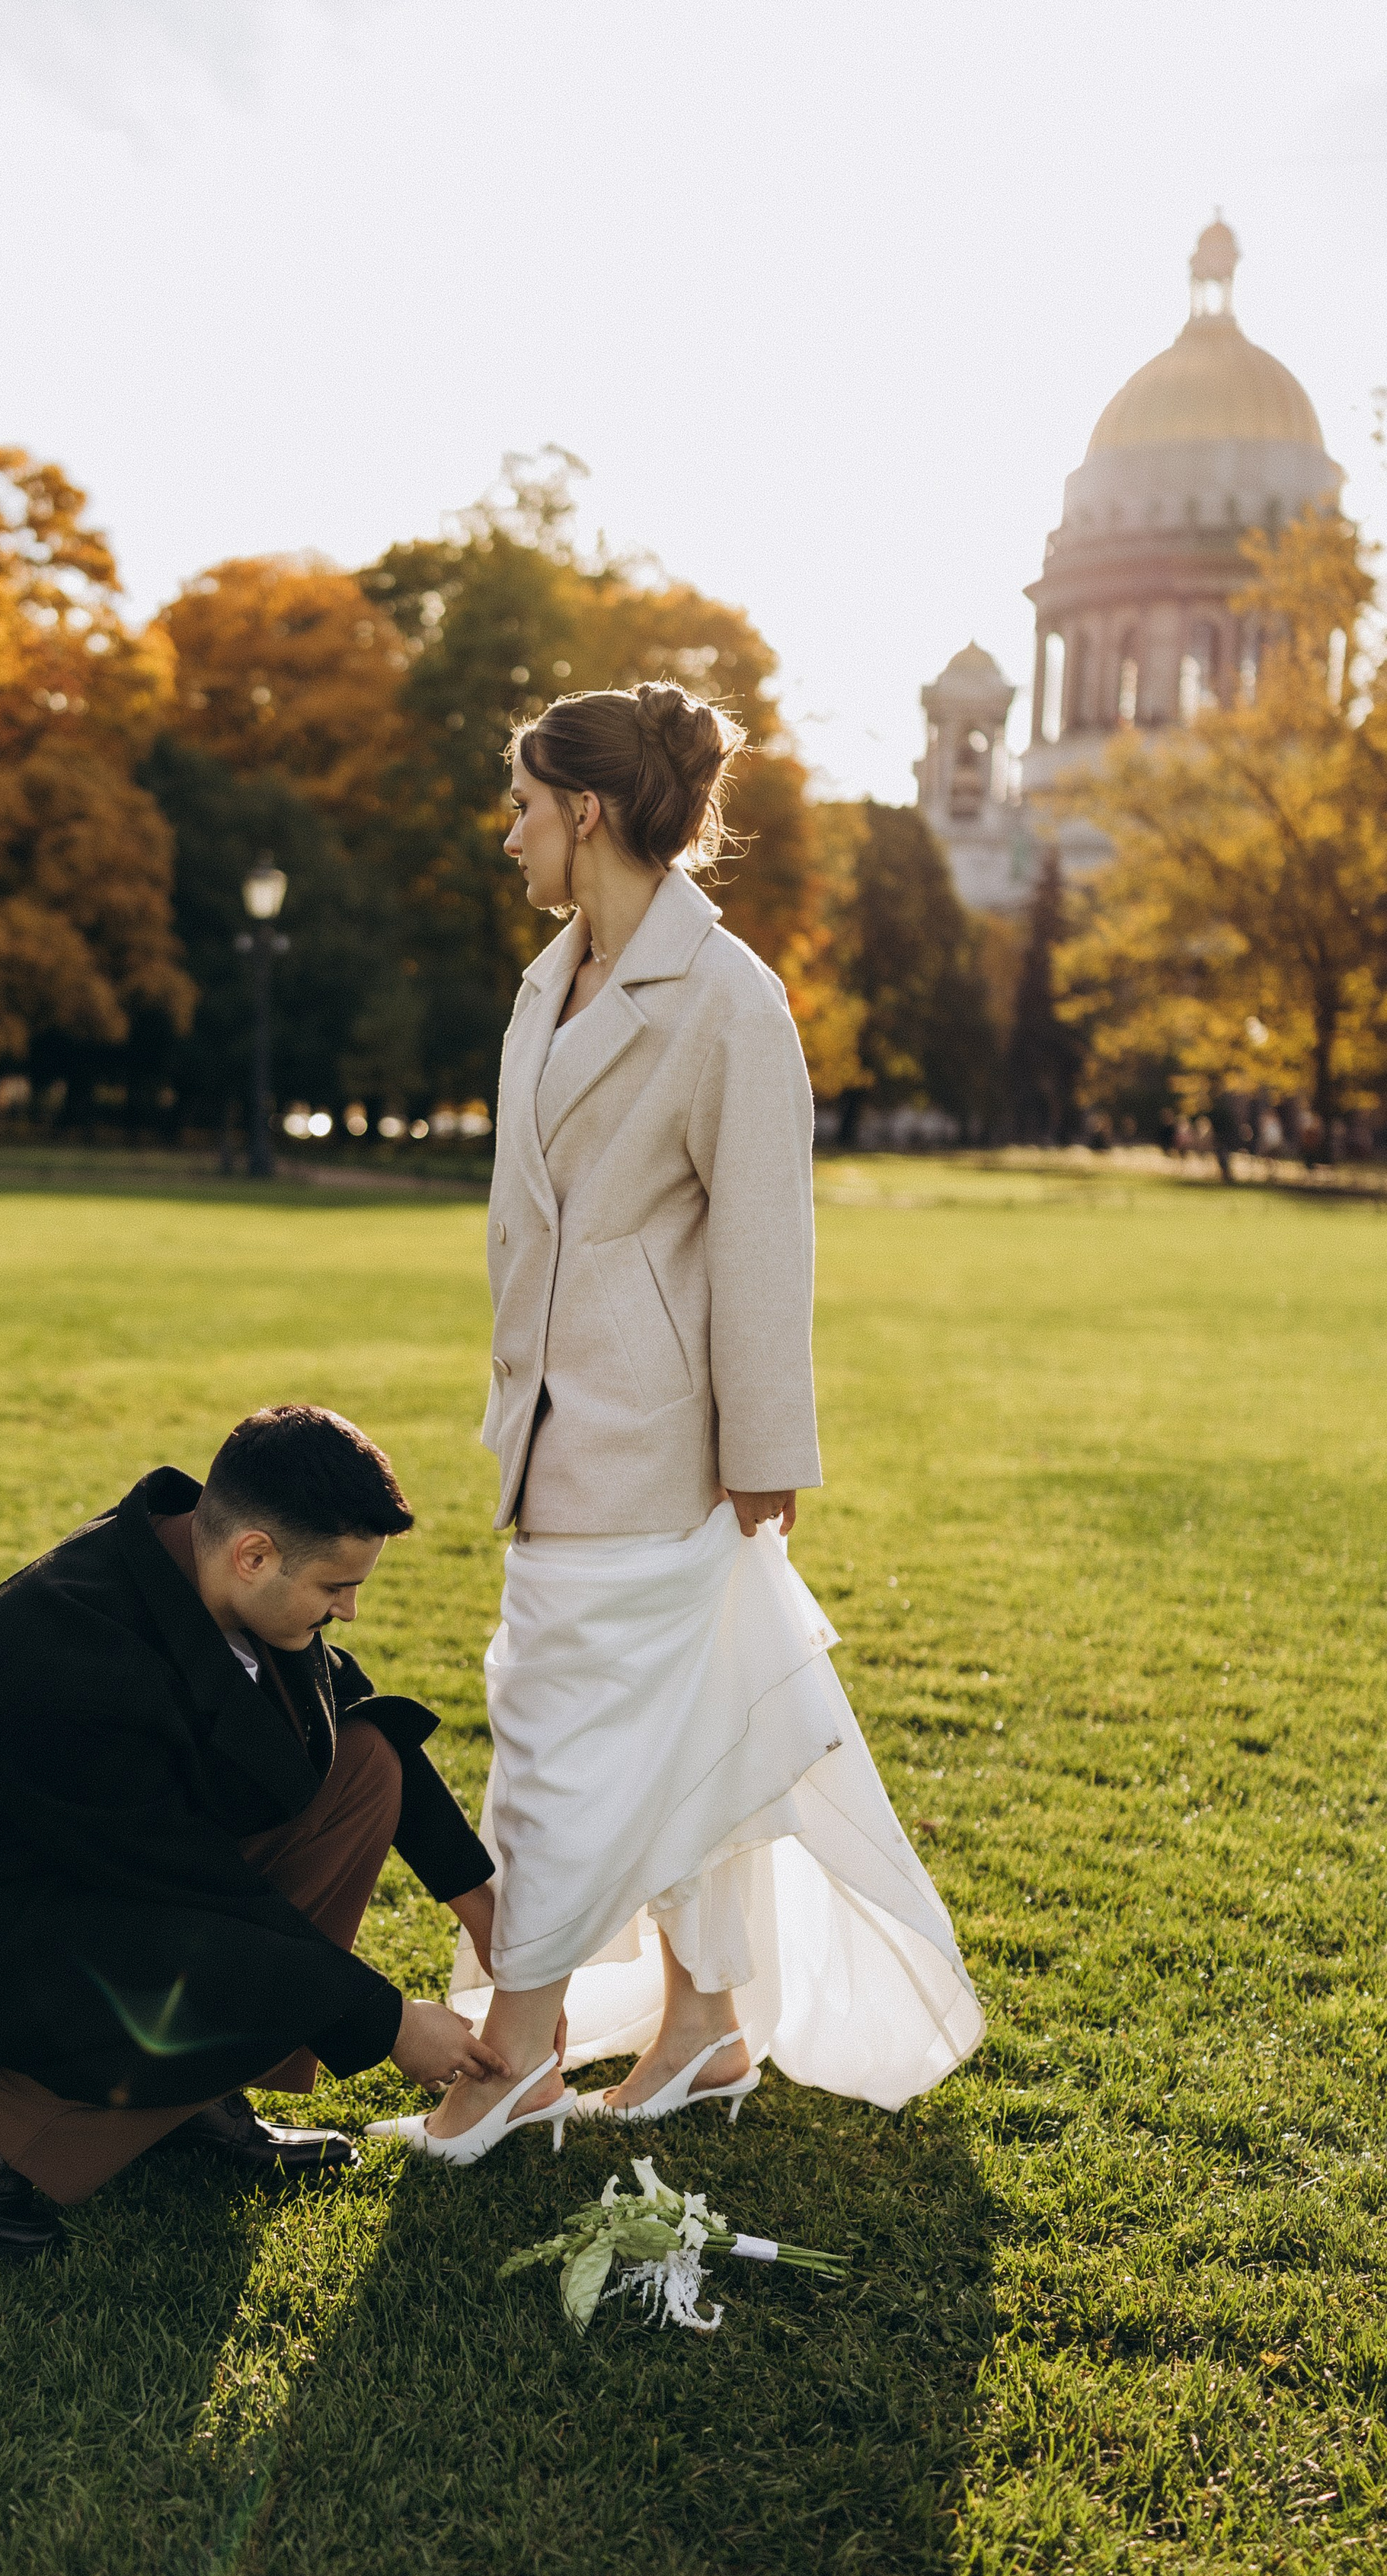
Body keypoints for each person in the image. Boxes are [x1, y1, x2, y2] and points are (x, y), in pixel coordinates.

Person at [374, 682, 983, 2165]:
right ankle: (704, 2023)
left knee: (553, 1739)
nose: (505, 830)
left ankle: (514, 2053)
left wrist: (767, 1453)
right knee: (672, 1731)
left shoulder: (725, 998)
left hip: (657, 1448)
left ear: (585, 814)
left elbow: (765, 1240)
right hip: (551, 1431)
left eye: (520, 803)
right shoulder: (548, 980)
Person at [0, 1405, 509, 2258]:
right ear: (252, 1553)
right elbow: (190, 1901)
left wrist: (480, 1907)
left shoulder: (216, 1567)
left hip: (102, 1871)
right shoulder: (76, 1650)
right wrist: (386, 2020)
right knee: (200, 1949)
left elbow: (357, 1719)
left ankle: (194, 2094)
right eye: (337, 1587)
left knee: (365, 1765)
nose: (351, 1610)